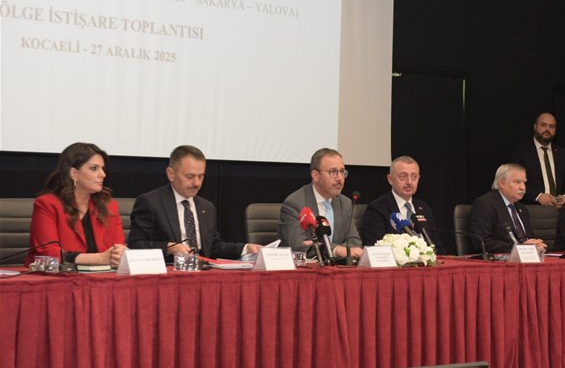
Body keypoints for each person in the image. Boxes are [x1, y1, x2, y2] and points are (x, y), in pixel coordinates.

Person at [129, 145, 261, 260]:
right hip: (169, 271)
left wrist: (245, 248)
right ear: (171, 174)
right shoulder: (151, 203)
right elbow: (136, 245)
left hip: (202, 271)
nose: (197, 183)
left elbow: (214, 247)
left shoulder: (207, 207)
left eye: (201, 176)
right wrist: (169, 248)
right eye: (190, 176)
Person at [26, 142, 126, 266]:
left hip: (102, 275)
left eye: (103, 168)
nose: (103, 174)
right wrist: (99, 258)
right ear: (74, 173)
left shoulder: (109, 206)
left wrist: (121, 254)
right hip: (57, 276)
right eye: (94, 168)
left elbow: (117, 248)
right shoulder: (47, 204)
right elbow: (49, 254)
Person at [277, 148, 363, 258]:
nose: (340, 178)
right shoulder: (295, 204)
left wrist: (324, 248)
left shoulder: (345, 204)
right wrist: (336, 250)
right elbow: (300, 246)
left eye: (342, 171)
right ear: (316, 175)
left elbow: (355, 243)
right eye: (333, 172)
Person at [360, 156, 445, 251]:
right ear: (390, 179)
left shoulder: (424, 208)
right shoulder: (377, 209)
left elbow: (437, 246)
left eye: (414, 177)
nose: (409, 182)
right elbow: (376, 249)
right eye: (403, 176)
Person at [467, 163, 547, 254]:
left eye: (524, 182)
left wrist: (537, 245)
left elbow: (528, 238)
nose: (523, 187)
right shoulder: (485, 204)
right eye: (517, 182)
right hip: (499, 260)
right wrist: (520, 248)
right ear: (501, 183)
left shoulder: (522, 209)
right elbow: (482, 242)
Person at [510, 112, 565, 208]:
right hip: (532, 208)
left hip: (560, 210)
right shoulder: (521, 152)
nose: (547, 129)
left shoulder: (561, 153)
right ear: (535, 127)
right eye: (543, 125)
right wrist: (538, 196)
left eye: (551, 126)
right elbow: (515, 180)